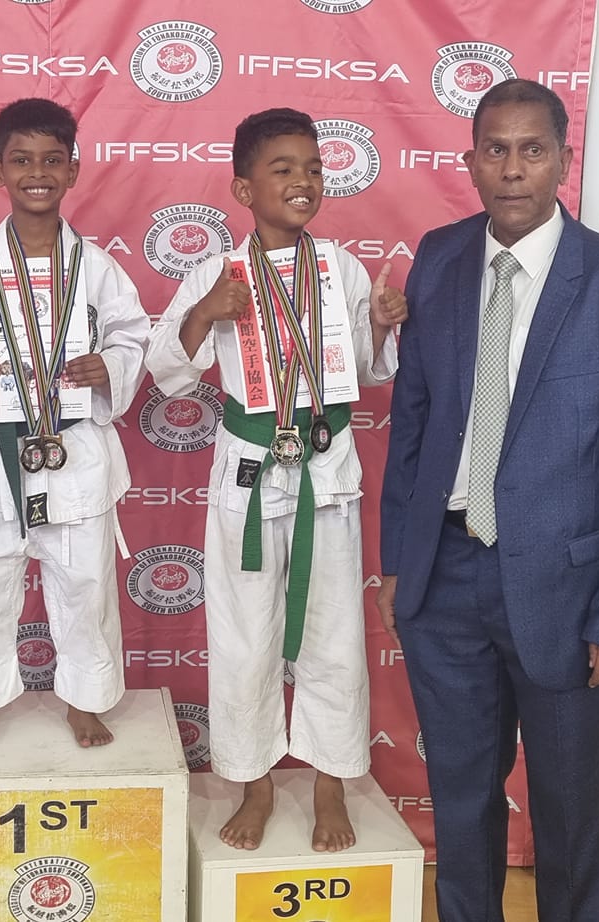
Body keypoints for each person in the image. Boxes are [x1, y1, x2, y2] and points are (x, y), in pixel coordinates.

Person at [377, 79, 599, 921]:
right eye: (496, 150)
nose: (513, 169)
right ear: (472, 161)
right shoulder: (440, 257)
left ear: (563, 160)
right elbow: (413, 421)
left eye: (533, 150)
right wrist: (400, 559)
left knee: (568, 811)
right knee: (460, 799)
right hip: (444, 578)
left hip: (568, 593)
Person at [148, 107, 407, 853]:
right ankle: (254, 782)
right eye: (283, 169)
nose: (304, 181)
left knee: (334, 631)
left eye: (314, 168)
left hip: (325, 466)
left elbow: (367, 369)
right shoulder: (217, 272)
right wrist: (205, 313)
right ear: (244, 189)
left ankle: (331, 784)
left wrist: (381, 323)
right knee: (244, 634)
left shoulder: (340, 268)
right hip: (250, 468)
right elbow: (167, 372)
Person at [0, 98, 149, 754]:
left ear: (73, 170)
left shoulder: (95, 267)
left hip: (74, 449)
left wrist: (111, 365)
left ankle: (84, 698)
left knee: (86, 584)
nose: (36, 173)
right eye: (21, 160)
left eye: (51, 160)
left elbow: (133, 333)